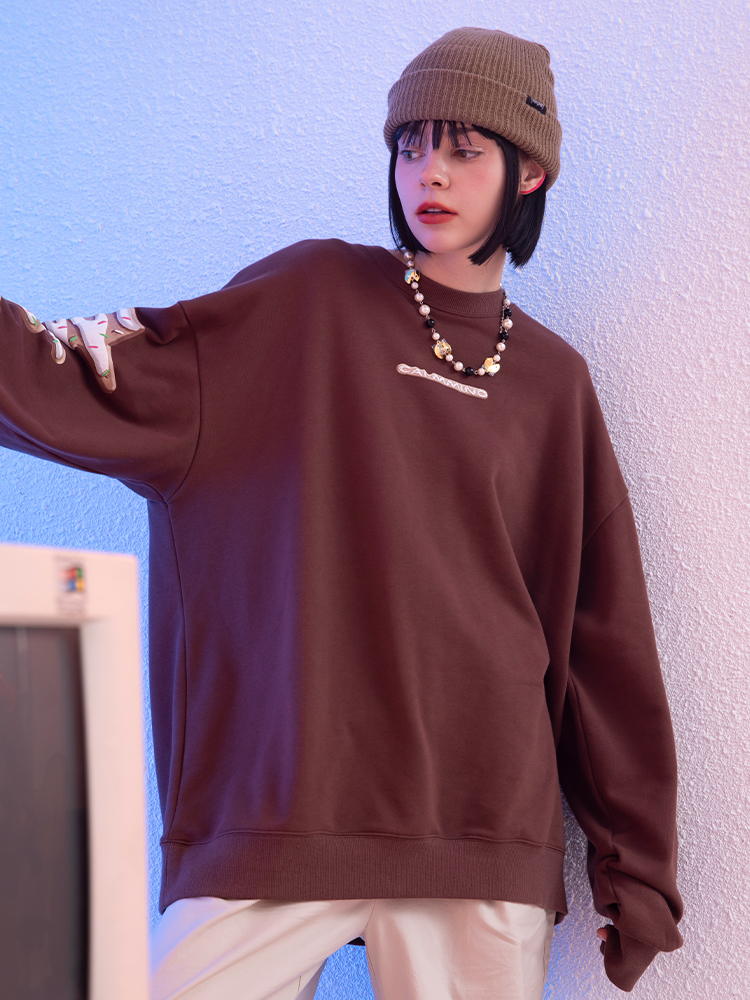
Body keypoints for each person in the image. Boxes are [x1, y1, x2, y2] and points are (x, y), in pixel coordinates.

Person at [0, 26, 683, 1000]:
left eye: (464, 149)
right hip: (281, 809)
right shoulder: (304, 303)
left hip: (480, 827)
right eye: (410, 145)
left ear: (529, 174)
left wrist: (636, 867)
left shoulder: (553, 383)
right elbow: (75, 378)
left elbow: (598, 638)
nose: (428, 174)